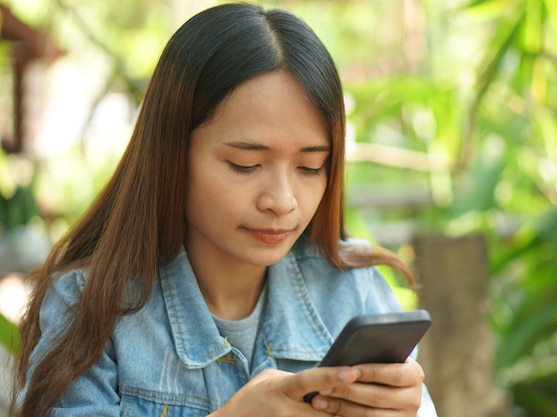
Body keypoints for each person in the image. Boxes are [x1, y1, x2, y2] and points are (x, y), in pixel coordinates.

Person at [11, 3, 438, 417]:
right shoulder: (89, 305)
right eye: (246, 164)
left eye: (311, 167)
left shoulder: (352, 291)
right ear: (171, 153)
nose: (282, 201)